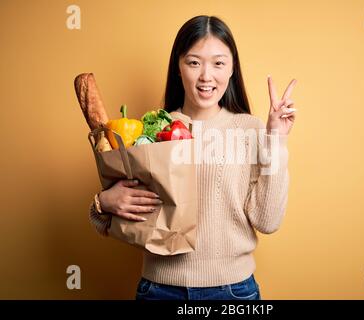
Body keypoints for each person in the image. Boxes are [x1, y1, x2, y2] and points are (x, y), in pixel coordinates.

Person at [89, 15, 297, 300]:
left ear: (232, 68)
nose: (206, 76)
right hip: (159, 290)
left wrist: (277, 139)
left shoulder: (249, 129)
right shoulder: (151, 128)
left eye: (219, 63)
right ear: (178, 66)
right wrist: (103, 203)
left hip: (233, 292)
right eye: (194, 62)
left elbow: (268, 220)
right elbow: (115, 220)